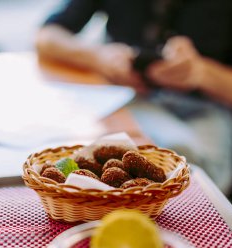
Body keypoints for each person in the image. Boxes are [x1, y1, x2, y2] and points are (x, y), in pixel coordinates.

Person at [36, 0, 232, 194]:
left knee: (199, 174)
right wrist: (97, 56)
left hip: (209, 104)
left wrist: (202, 73)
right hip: (127, 97)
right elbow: (46, 36)